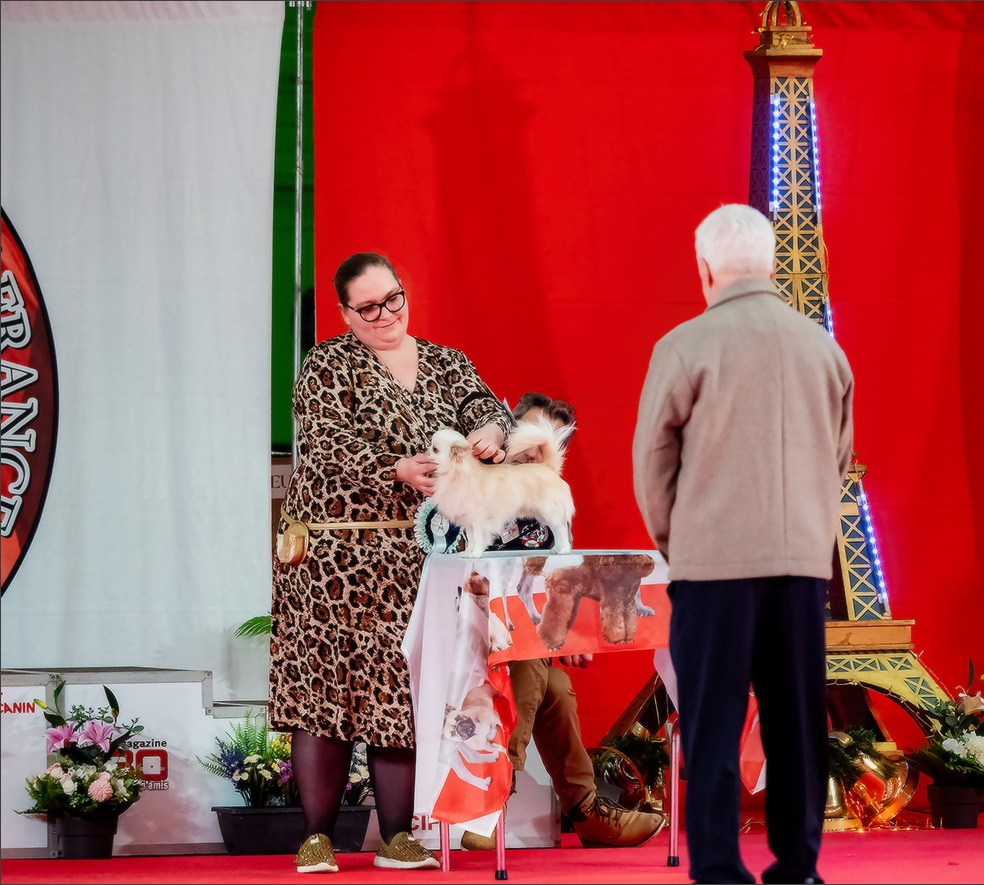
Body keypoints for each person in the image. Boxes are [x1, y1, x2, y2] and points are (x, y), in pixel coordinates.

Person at [268, 251, 513, 874]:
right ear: (345, 314)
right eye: (369, 307)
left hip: (415, 562)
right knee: (324, 693)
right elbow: (326, 446)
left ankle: (398, 836)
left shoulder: (446, 361)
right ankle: (317, 837)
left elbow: (488, 407)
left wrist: (490, 431)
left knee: (399, 696)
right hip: (331, 559)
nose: (386, 315)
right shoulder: (326, 364)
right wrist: (394, 469)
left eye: (393, 299)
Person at [632, 204, 853, 885]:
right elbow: (840, 458)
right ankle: (798, 865)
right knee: (796, 722)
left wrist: (683, 539)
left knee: (712, 721)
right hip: (799, 564)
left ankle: (721, 868)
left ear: (704, 268)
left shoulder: (684, 345)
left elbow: (652, 464)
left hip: (713, 566)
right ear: (772, 262)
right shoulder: (825, 348)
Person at [460, 392, 666, 851]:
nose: (536, 454)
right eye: (530, 440)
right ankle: (502, 789)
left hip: (521, 637)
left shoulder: (551, 511)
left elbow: (561, 579)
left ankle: (584, 810)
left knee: (556, 690)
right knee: (535, 666)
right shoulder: (479, 487)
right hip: (467, 630)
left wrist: (569, 632)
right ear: (508, 435)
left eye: (551, 445)